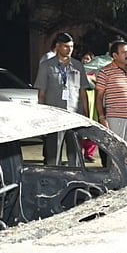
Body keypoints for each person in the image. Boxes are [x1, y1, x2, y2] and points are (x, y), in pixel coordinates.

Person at [34, 32, 91, 165]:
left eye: (71, 46)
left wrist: (86, 116)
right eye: (66, 46)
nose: (69, 49)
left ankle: (76, 180)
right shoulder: (47, 66)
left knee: (75, 154)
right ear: (58, 47)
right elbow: (41, 93)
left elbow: (83, 93)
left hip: (75, 115)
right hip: (55, 116)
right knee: (53, 154)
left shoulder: (78, 66)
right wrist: (41, 116)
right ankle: (53, 180)